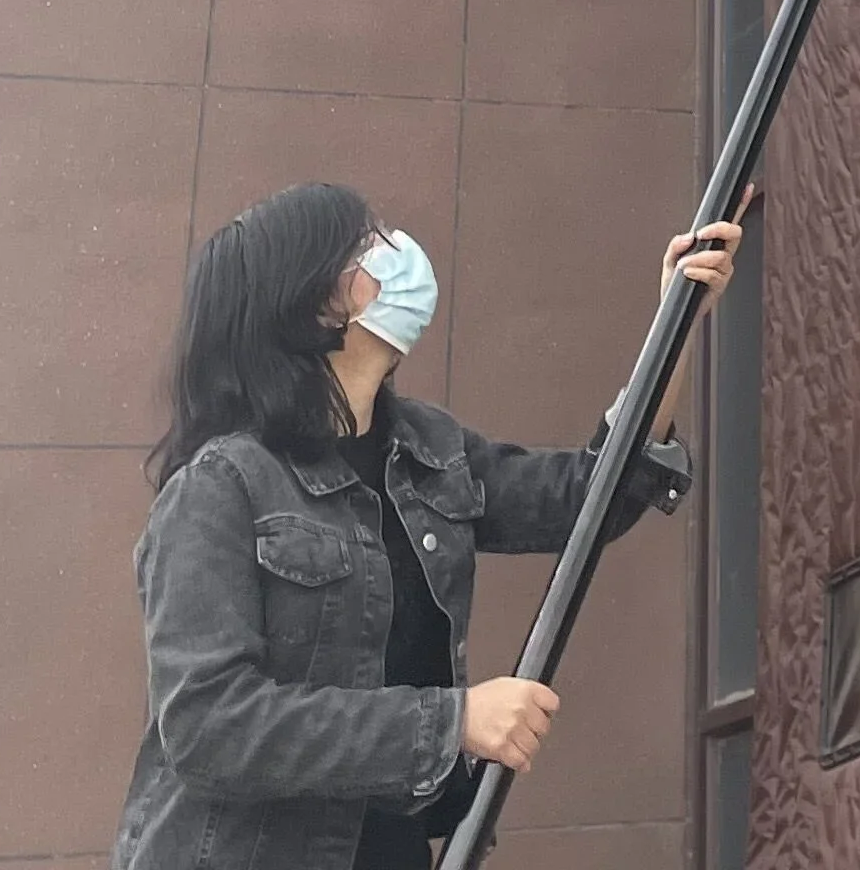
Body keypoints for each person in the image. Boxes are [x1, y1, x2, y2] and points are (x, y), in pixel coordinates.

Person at [111, 182, 739, 870]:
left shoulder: (427, 450)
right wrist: (451, 722)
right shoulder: (221, 489)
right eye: (367, 244)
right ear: (316, 302)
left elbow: (588, 500)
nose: (397, 252)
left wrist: (675, 324)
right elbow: (210, 726)